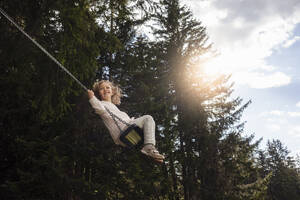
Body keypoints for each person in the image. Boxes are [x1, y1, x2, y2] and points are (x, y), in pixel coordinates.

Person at [87, 80, 165, 163]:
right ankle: (149, 148)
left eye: (107, 87)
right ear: (99, 93)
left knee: (146, 130)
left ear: (112, 91)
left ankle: (152, 154)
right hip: (123, 130)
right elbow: (99, 108)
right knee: (148, 118)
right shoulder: (101, 103)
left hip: (126, 133)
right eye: (101, 89)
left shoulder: (113, 106)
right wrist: (92, 97)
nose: (105, 90)